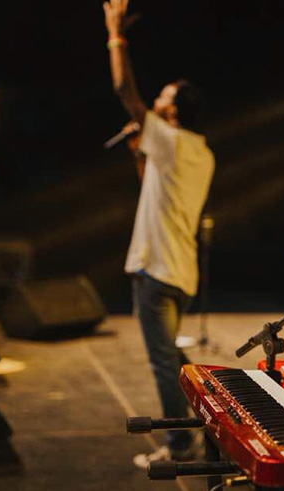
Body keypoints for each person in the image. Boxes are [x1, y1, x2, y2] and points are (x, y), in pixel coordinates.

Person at [103, 0, 215, 467]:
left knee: (164, 363)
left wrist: (115, 33)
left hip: (156, 272)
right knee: (169, 360)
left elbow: (123, 89)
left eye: (164, 97)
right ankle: (192, 438)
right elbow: (154, 187)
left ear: (173, 111)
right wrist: (137, 151)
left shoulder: (169, 139)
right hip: (179, 272)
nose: (156, 100)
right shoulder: (199, 151)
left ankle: (178, 446)